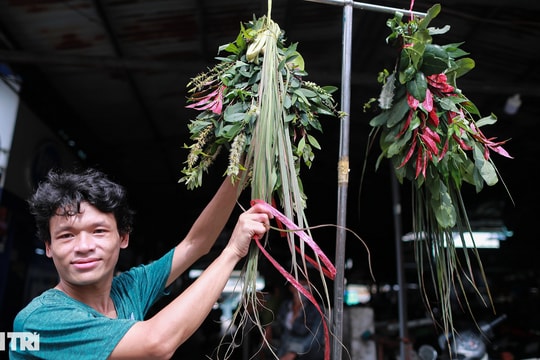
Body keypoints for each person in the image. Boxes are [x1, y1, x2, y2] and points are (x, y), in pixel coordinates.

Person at [9, 167, 273, 359]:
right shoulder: (38, 321)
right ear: (49, 247)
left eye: (99, 231)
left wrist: (242, 166)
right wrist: (232, 252)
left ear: (123, 238)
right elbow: (157, 343)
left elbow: (195, 244)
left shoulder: (129, 288)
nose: (84, 247)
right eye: (67, 235)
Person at [268, 280, 325, 360]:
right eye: (301, 284)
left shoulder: (316, 309)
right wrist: (268, 328)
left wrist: (294, 352)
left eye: (306, 285)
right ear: (291, 287)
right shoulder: (286, 306)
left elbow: (315, 337)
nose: (304, 288)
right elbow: (280, 325)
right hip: (284, 349)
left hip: (306, 353)